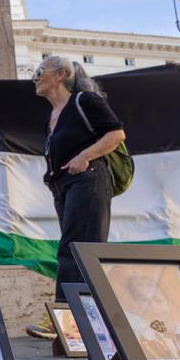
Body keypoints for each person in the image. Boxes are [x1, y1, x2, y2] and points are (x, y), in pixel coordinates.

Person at [35, 55, 126, 303]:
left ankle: (69, 312)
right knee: (75, 248)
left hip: (88, 179)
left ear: (60, 74)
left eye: (40, 70)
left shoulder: (84, 101)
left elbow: (116, 134)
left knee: (77, 249)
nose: (35, 77)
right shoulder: (53, 116)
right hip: (63, 186)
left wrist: (85, 156)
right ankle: (80, 312)